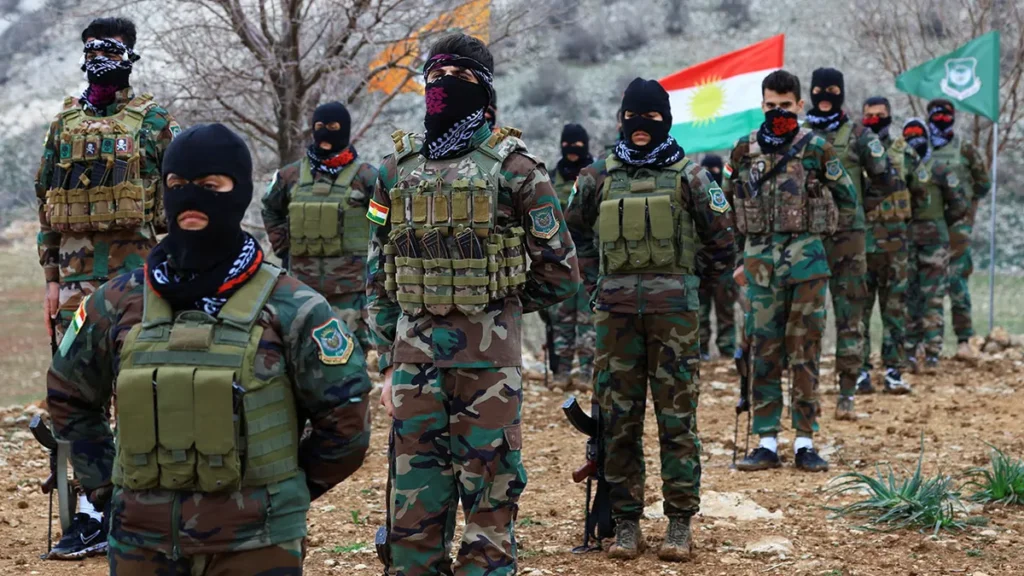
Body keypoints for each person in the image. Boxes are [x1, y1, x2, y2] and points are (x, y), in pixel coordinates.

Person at [46, 123, 372, 574]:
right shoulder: (116, 301)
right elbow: (69, 395)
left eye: (210, 186)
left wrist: (283, 494)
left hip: (257, 545)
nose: (191, 199)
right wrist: (106, 488)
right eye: (178, 186)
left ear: (238, 192)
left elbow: (347, 419)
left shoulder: (293, 305)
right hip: (142, 543)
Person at [367, 34, 579, 576]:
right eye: (434, 78)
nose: (442, 89)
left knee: (489, 513)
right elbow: (377, 268)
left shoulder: (518, 172)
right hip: (414, 366)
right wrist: (390, 356)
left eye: (458, 79)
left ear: (485, 90)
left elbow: (560, 271)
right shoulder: (393, 172)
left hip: (489, 372)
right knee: (412, 516)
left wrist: (499, 302)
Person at [567, 78, 736, 561]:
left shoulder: (692, 177)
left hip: (675, 320)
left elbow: (723, 242)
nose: (641, 127)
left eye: (652, 118)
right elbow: (569, 236)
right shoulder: (596, 176)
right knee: (618, 422)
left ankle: (679, 524)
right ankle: (626, 524)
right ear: (622, 120)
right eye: (633, 117)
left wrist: (689, 285)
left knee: (677, 421)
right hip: (615, 319)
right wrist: (597, 281)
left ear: (666, 120)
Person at [34, 16, 179, 559]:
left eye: (111, 49)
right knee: (78, 395)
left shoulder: (155, 122)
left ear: (130, 56)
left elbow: (183, 199)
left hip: (137, 282)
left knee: (141, 393)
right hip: (74, 284)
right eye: (92, 48)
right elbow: (46, 201)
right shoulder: (62, 124)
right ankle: (93, 511)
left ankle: (144, 510)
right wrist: (51, 280)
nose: (100, 57)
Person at [730, 70, 859, 473]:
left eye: (785, 105)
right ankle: (766, 441)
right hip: (760, 269)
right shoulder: (743, 150)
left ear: (800, 106)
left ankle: (805, 441)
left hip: (806, 267)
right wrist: (739, 260)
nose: (777, 112)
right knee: (763, 352)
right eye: (770, 105)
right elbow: (729, 207)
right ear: (762, 105)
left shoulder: (817, 149)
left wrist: (822, 241)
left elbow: (848, 199)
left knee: (804, 353)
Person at [803, 67, 901, 419]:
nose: (825, 96)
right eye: (819, 90)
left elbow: (886, 178)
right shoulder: (799, 136)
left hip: (847, 238)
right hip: (807, 239)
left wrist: (858, 208)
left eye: (832, 90)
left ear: (841, 93)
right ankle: (806, 394)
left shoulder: (859, 135)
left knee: (850, 315)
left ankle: (848, 389)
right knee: (807, 320)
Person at [262, 101, 379, 351]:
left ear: (344, 130)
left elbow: (386, 219)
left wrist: (377, 254)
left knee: (353, 355)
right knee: (300, 352)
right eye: (319, 126)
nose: (325, 133)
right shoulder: (289, 176)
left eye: (333, 126)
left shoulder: (367, 177)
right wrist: (282, 246)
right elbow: (270, 208)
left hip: (351, 290)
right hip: (302, 288)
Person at [925, 99, 991, 359]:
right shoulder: (921, 148)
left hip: (957, 227)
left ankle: (964, 341)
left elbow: (983, 185)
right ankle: (929, 345)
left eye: (945, 115)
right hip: (927, 226)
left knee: (956, 281)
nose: (940, 119)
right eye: (936, 115)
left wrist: (964, 205)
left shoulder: (965, 149)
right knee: (928, 286)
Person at [902, 118, 970, 372]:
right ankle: (909, 352)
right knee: (909, 297)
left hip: (934, 243)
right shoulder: (901, 168)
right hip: (907, 241)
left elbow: (959, 204)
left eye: (918, 135)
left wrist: (941, 221)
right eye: (909, 136)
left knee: (932, 298)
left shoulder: (940, 169)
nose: (914, 141)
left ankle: (932, 354)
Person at [858, 96, 913, 397]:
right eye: (869, 115)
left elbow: (918, 192)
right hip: (861, 247)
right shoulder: (854, 151)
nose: (874, 119)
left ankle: (893, 372)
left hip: (895, 246)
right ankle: (860, 372)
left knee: (894, 312)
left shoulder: (902, 151)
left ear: (889, 117)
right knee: (859, 313)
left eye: (879, 115)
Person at [543, 123, 596, 388]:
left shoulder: (595, 176)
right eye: (568, 144)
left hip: (589, 259)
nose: (572, 150)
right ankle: (561, 372)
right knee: (561, 319)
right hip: (560, 261)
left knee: (588, 319)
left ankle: (587, 372)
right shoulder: (551, 178)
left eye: (577, 144)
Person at [697, 154, 738, 360]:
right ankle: (702, 349)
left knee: (726, 313)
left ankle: (727, 351)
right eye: (708, 169)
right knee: (700, 313)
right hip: (701, 265)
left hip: (725, 265)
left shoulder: (729, 198)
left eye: (716, 170)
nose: (712, 173)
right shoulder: (696, 197)